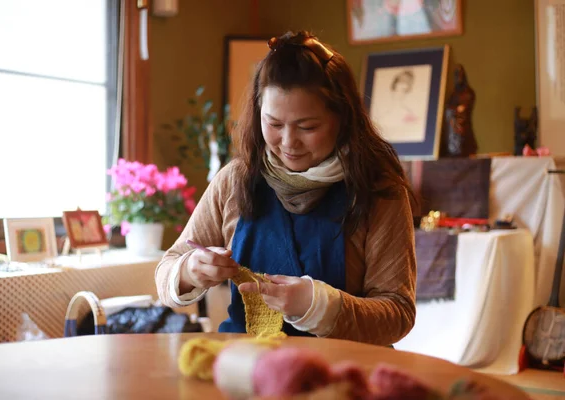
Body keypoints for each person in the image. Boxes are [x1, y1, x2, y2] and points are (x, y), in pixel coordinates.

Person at [155, 31, 416, 346]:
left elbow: (397, 313)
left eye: (308, 127)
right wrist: (190, 270)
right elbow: (167, 269)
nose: (289, 143)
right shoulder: (235, 180)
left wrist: (320, 306)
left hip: (344, 377)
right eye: (274, 124)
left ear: (343, 118)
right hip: (245, 368)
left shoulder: (378, 191)